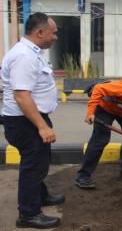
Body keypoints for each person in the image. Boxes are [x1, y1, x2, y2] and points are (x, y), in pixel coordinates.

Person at [1, 12, 63, 229]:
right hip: (24, 121)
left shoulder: (32, 52)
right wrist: (42, 126)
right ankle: (28, 214)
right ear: (40, 32)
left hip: (30, 118)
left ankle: (41, 196)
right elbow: (21, 95)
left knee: (39, 162)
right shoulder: (24, 56)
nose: (55, 37)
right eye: (53, 33)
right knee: (33, 166)